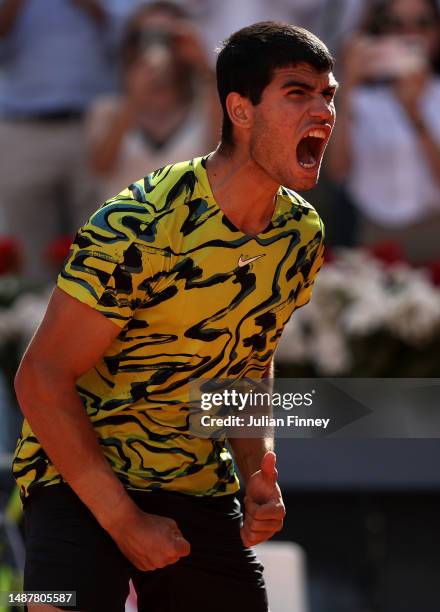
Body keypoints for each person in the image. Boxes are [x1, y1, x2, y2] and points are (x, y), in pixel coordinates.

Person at [12, 21, 337, 612]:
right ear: (240, 110)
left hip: (195, 483)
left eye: (328, 94)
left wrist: (255, 469)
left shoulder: (300, 235)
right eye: (298, 93)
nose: (322, 111)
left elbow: (246, 361)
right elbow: (40, 379)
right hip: (79, 483)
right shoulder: (141, 223)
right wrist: (124, 520)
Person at [0, 0, 116, 283]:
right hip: (24, 124)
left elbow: (129, 36)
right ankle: (28, 323)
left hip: (94, 125)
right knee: (29, 257)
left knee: (103, 247)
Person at [326, 0, 440, 260]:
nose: (410, 34)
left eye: (422, 23)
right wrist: (348, 85)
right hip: (372, 231)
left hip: (434, 231)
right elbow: (338, 171)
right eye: (396, 24)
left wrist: (414, 113)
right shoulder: (362, 99)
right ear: (380, 30)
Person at [87, 1, 220, 200]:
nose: (155, 45)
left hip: (188, 227)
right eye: (143, 36)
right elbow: (101, 168)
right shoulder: (107, 109)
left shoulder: (205, 106)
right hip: (123, 227)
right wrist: (133, 100)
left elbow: (223, 156)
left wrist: (203, 65)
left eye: (167, 37)